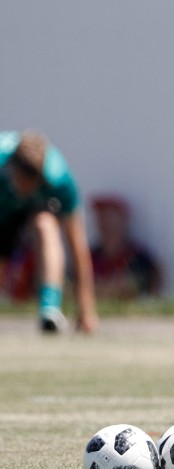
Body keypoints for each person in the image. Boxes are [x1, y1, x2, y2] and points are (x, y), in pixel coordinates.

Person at [0, 130, 99, 333]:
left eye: (30, 185)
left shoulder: (60, 180)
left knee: (46, 225)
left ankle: (49, 308)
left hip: (38, 209)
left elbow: (77, 246)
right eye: (20, 182)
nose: (24, 191)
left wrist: (86, 309)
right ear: (11, 168)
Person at [89, 195, 162, 299]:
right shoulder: (90, 256)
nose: (103, 221)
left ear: (122, 220)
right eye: (100, 215)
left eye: (108, 216)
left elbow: (132, 287)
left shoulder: (137, 257)